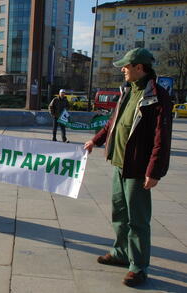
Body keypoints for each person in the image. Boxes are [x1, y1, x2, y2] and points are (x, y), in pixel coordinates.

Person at [83, 48, 172, 287]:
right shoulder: (127, 92)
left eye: (126, 66)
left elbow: (161, 137)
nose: (123, 69)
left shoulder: (157, 96)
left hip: (137, 168)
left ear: (139, 67)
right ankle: (121, 253)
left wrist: (154, 171)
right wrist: (95, 140)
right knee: (119, 214)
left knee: (138, 220)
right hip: (119, 164)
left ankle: (139, 266)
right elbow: (114, 122)